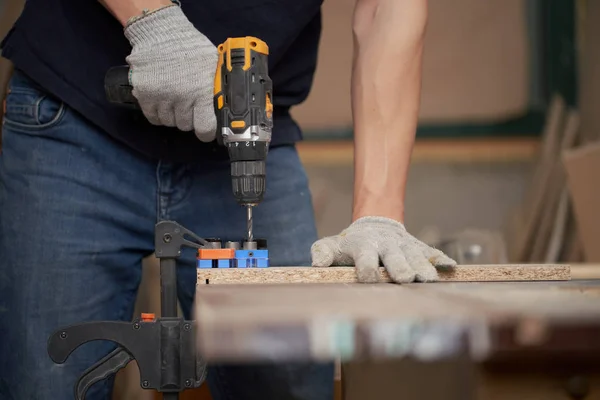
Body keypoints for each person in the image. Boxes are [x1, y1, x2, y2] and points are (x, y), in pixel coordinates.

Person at [0, 0, 456, 398]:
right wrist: (152, 21)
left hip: (246, 145)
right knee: (46, 380)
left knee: (288, 380)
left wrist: (378, 211)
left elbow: (388, 7)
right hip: (75, 124)